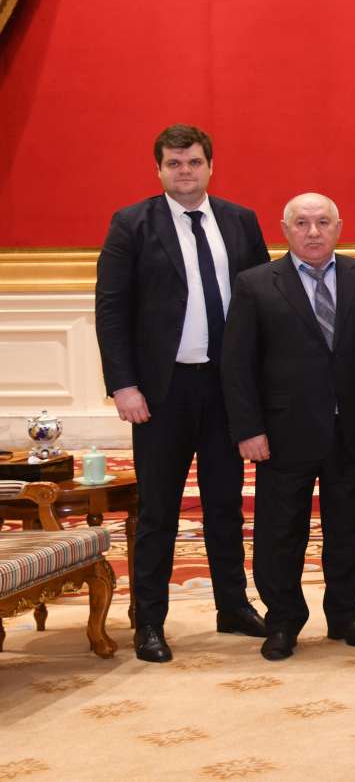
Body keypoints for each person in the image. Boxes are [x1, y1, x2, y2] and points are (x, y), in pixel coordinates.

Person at [95, 124, 271, 663]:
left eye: (194, 162)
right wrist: (124, 385)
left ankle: (232, 606)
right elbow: (111, 308)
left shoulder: (240, 221)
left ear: (210, 166)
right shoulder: (131, 224)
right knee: (158, 512)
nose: (185, 171)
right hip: (160, 392)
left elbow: (265, 302)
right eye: (174, 163)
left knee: (225, 505)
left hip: (225, 388)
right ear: (159, 170)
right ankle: (149, 621)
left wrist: (262, 384)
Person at [220, 193, 355, 661]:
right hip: (282, 433)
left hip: (352, 428)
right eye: (302, 223)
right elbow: (237, 364)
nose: (313, 232)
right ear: (285, 229)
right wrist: (248, 429)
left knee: (350, 527)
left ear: (339, 227)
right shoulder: (256, 283)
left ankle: (346, 615)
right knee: (280, 532)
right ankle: (283, 621)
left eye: (322, 222)